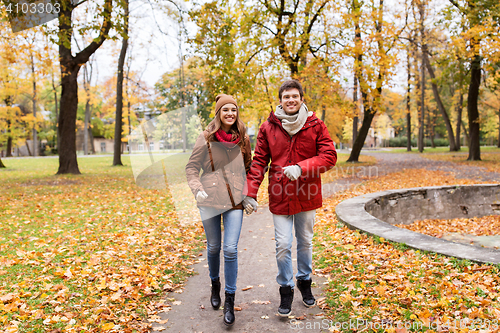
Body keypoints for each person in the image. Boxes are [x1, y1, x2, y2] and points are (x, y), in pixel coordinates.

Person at [244, 79, 337, 316]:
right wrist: (250, 193)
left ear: (302, 99)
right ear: (281, 101)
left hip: (307, 194)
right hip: (280, 194)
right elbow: (259, 162)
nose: (291, 100)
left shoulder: (315, 124)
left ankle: (304, 282)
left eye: (295, 96)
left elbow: (329, 156)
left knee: (305, 242)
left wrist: (301, 168)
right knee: (283, 245)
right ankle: (286, 289)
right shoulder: (268, 128)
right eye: (286, 97)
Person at [185, 94, 254, 326]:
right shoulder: (205, 138)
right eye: (225, 110)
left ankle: (229, 299)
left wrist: (249, 195)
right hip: (209, 199)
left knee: (231, 249)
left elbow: (249, 168)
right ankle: (215, 285)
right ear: (218, 112)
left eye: (233, 109)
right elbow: (192, 168)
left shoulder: (243, 138)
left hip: (234, 199)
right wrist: (196, 189)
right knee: (214, 246)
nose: (230, 114)